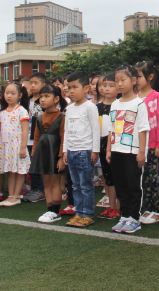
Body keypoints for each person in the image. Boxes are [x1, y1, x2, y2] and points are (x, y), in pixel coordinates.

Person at [107, 65, 149, 233]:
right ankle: (124, 216)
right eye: (116, 80)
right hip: (117, 151)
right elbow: (111, 128)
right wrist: (109, 150)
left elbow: (143, 129)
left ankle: (134, 217)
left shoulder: (139, 104)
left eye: (122, 80)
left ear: (133, 81)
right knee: (121, 184)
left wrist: (141, 152)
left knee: (133, 185)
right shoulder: (115, 104)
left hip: (133, 152)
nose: (119, 84)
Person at [63, 71, 101, 228]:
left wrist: (95, 151)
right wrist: (65, 151)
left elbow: (95, 129)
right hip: (71, 152)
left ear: (86, 88)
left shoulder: (90, 107)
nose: (71, 91)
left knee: (86, 186)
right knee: (75, 186)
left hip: (84, 152)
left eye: (75, 87)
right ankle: (78, 213)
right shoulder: (70, 108)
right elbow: (66, 131)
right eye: (69, 87)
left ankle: (88, 215)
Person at [136, 61, 159, 225]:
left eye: (139, 76)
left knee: (154, 178)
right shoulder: (134, 97)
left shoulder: (156, 96)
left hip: (153, 146)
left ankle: (156, 210)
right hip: (138, 146)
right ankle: (145, 207)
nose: (136, 79)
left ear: (150, 77)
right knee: (143, 178)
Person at [33, 85, 67, 223]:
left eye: (47, 96)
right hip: (42, 154)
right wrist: (34, 155)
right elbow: (36, 137)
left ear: (56, 99)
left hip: (55, 153)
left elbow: (64, 138)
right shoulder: (40, 117)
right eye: (41, 96)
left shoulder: (62, 117)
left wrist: (60, 157)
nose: (42, 99)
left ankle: (55, 211)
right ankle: (49, 209)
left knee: (55, 182)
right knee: (46, 182)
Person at [0, 83, 31, 207]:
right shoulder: (3, 112)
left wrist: (22, 147)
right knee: (10, 171)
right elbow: (0, 131)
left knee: (20, 171)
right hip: (6, 147)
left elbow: (25, 130)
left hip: (17, 145)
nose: (9, 96)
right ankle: (10, 195)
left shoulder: (21, 110)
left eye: (13, 93)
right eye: (7, 93)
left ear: (20, 95)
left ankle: (16, 196)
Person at [95, 74, 120, 220]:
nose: (107, 88)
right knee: (107, 176)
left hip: (117, 145)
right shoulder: (97, 107)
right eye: (104, 85)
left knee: (118, 176)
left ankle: (119, 207)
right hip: (102, 144)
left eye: (111, 85)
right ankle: (111, 206)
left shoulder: (119, 104)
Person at [23, 73, 48, 203]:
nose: (32, 85)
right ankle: (33, 188)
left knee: (38, 164)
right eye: (30, 83)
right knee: (30, 165)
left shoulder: (44, 102)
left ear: (44, 85)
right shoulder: (26, 101)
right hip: (26, 138)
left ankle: (40, 189)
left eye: (35, 83)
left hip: (39, 138)